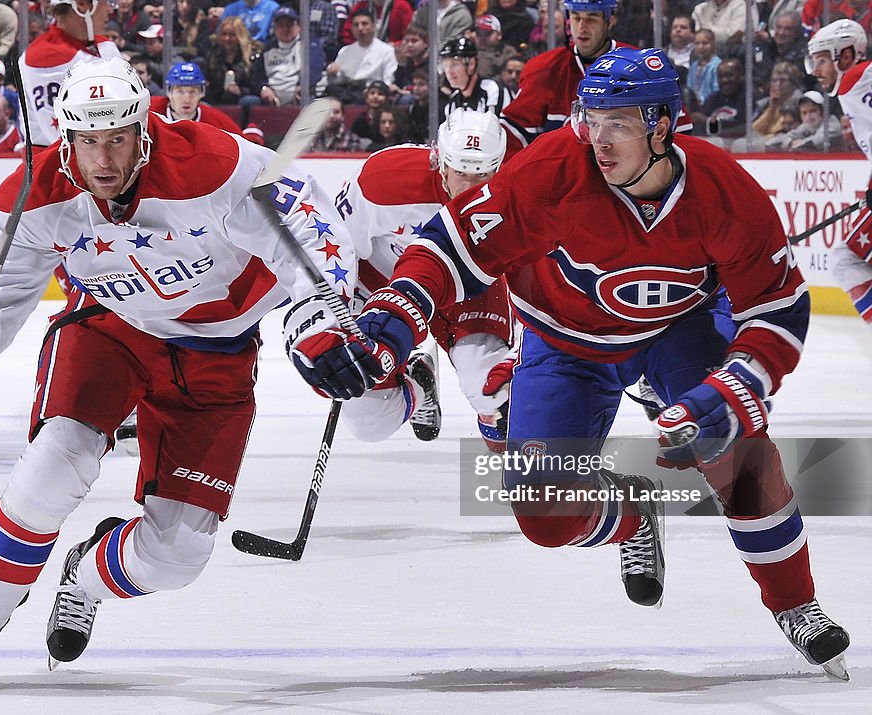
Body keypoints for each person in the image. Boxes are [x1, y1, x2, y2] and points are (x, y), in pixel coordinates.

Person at [288, 47, 852, 681]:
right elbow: (449, 246)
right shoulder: (553, 169)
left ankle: (797, 604)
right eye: (591, 116)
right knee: (543, 513)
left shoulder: (725, 191)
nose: (597, 137)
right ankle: (634, 513)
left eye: (618, 121)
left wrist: (736, 384)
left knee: (738, 450)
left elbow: (777, 308)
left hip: (678, 327)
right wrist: (392, 320)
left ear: (662, 124)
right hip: (566, 344)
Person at [0, 56, 353, 685]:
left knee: (177, 557)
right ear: (66, 136)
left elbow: (310, 231)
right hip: (111, 330)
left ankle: (87, 576)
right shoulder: (36, 192)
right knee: (51, 468)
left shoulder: (216, 165)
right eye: (88, 141)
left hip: (218, 353)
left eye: (117, 137)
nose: (104, 160)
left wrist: (322, 319)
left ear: (143, 128)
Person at [314, 108, 512, 447]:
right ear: (439, 159)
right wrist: (343, 311)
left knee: (495, 394)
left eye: (482, 176)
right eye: (461, 172)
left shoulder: (513, 195)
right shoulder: (383, 180)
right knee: (368, 422)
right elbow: (339, 247)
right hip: (386, 289)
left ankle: (524, 482)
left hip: (470, 291)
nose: (470, 188)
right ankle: (420, 385)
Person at [500, 0, 633, 155]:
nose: (582, 27)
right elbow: (513, 135)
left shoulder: (635, 68)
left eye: (591, 19)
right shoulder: (543, 70)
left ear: (609, 21)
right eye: (576, 18)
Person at [817, 20, 872, 323]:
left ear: (846, 55)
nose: (815, 70)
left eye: (822, 60)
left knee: (845, 259)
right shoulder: (854, 85)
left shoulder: (859, 77)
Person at [18, 0, 120, 150]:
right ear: (82, 5)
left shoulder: (105, 46)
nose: (111, 10)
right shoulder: (45, 56)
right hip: (56, 168)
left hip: (103, 157)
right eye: (106, 2)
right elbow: (61, 138)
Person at [247, 6, 327, 107]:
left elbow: (314, 69)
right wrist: (263, 88)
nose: (285, 29)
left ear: (298, 26)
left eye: (289, 25)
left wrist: (302, 87)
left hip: (302, 97)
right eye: (281, 25)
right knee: (248, 102)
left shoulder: (309, 44)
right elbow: (257, 75)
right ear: (275, 28)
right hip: (272, 100)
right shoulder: (268, 49)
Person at [326, 8, 398, 102]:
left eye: (364, 24)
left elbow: (388, 80)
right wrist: (332, 72)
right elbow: (338, 80)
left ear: (373, 26)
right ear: (352, 28)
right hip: (347, 90)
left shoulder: (387, 51)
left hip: (371, 92)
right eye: (356, 25)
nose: (360, 28)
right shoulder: (345, 51)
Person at [150, 61, 242, 133]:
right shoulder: (150, 111)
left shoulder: (217, 121)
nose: (187, 99)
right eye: (180, 92)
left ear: (201, 93)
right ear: (169, 93)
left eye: (192, 92)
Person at [440, 36, 512, 120]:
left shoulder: (492, 90)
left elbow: (498, 129)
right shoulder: (453, 103)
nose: (449, 71)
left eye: (454, 64)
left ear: (471, 64)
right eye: (445, 66)